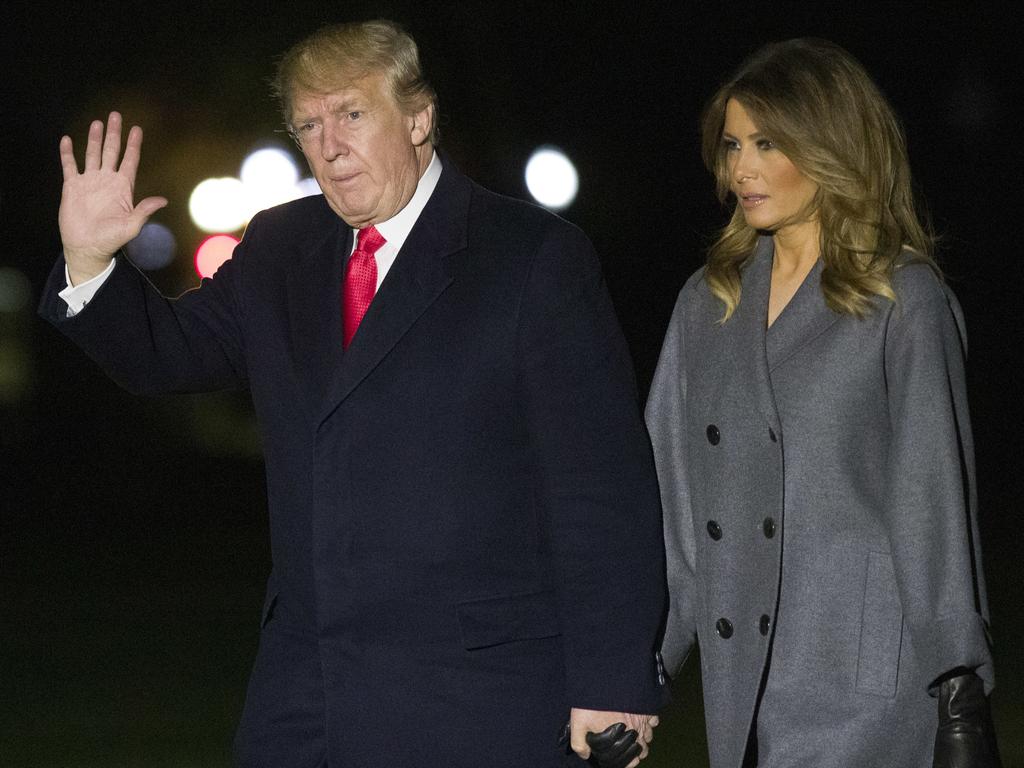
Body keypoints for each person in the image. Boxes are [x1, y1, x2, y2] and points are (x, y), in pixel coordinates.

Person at [39, 20, 666, 768]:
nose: (329, 145)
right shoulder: (277, 247)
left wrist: (614, 678)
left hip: (477, 695)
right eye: (309, 124)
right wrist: (88, 259)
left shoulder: (532, 258)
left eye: (352, 114)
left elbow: (600, 486)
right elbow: (166, 355)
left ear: (419, 117)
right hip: (309, 698)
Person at [645, 38, 1001, 768]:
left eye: (767, 142)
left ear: (831, 143)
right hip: (743, 677)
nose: (739, 167)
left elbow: (932, 503)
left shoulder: (903, 298)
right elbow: (671, 502)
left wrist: (959, 689)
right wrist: (641, 660)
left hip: (869, 674)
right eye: (733, 144)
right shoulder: (707, 302)